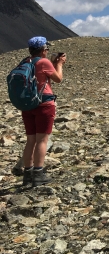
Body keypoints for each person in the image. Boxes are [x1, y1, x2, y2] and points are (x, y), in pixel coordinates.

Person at [20, 36, 66, 187]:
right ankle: (38, 174)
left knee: (31, 140)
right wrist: (59, 64)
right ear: (43, 49)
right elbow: (58, 79)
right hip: (44, 104)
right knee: (42, 140)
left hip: (27, 105)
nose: (47, 51)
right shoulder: (44, 62)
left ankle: (27, 175)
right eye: (46, 48)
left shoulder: (26, 61)